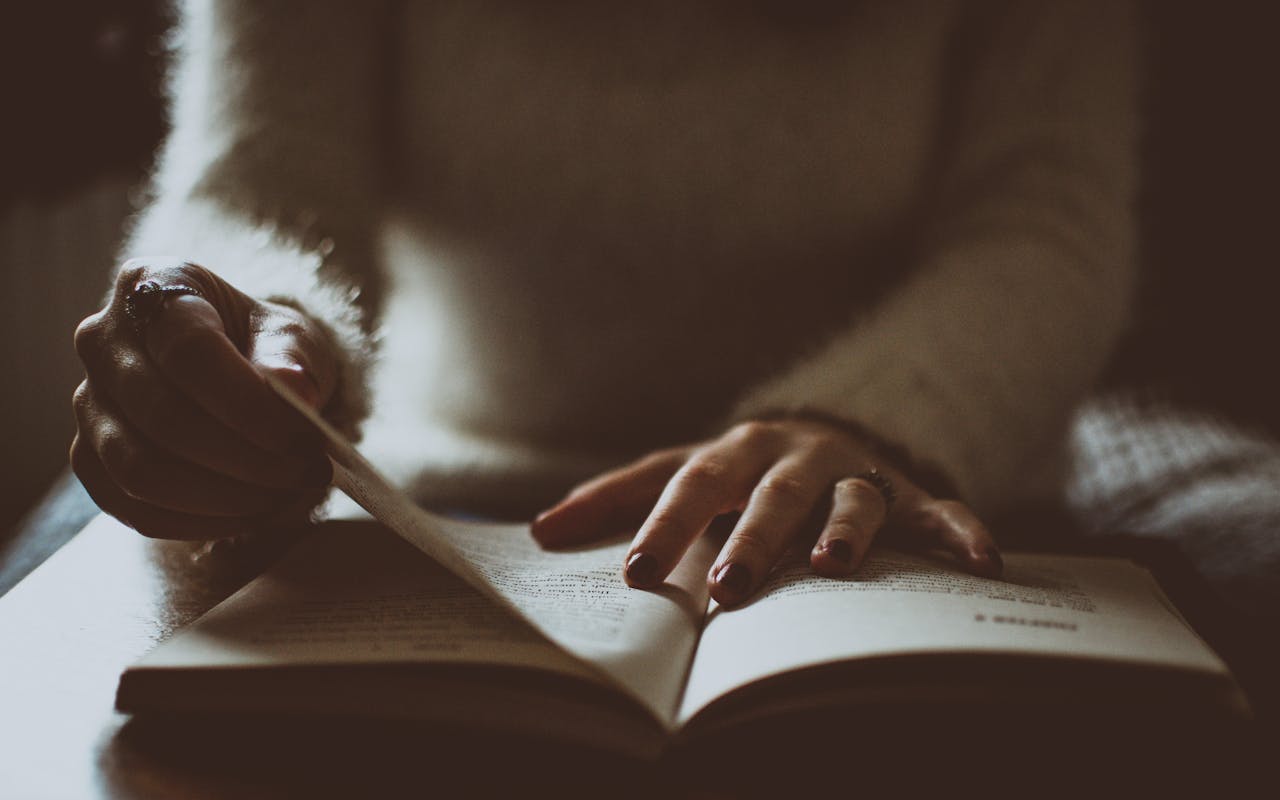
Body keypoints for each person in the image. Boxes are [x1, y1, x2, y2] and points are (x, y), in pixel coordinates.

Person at [70, 0, 1138, 608]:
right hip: (428, 503)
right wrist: (235, 340)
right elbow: (253, 184)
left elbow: (1043, 223)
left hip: (881, 501)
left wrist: (870, 420)